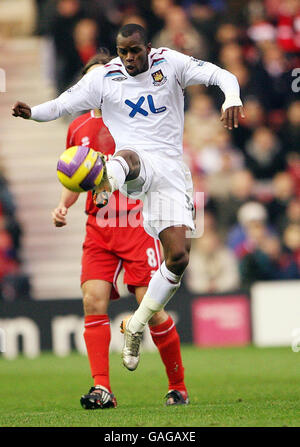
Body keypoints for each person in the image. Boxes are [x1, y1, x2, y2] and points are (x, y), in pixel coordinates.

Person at [12, 23, 244, 375]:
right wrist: (32, 113)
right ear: (117, 52)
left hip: (170, 171)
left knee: (179, 258)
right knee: (129, 158)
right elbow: (61, 104)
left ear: (148, 47)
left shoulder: (171, 63)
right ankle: (105, 180)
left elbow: (219, 74)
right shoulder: (105, 78)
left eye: (135, 51)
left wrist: (233, 97)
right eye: (123, 52)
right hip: (133, 164)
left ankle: (136, 325)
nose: (130, 58)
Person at [51, 52, 189, 408]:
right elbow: (76, 175)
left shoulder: (134, 119)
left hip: (135, 223)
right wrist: (65, 204)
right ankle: (102, 389)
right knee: (91, 299)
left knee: (149, 305)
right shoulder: (78, 128)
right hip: (98, 227)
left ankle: (178, 386)